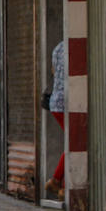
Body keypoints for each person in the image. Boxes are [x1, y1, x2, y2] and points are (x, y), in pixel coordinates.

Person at [44, 40, 67, 200]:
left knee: (72, 142)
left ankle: (60, 184)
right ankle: (58, 182)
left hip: (55, 101)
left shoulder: (57, 47)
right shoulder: (70, 48)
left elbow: (53, 71)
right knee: (75, 143)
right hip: (65, 102)